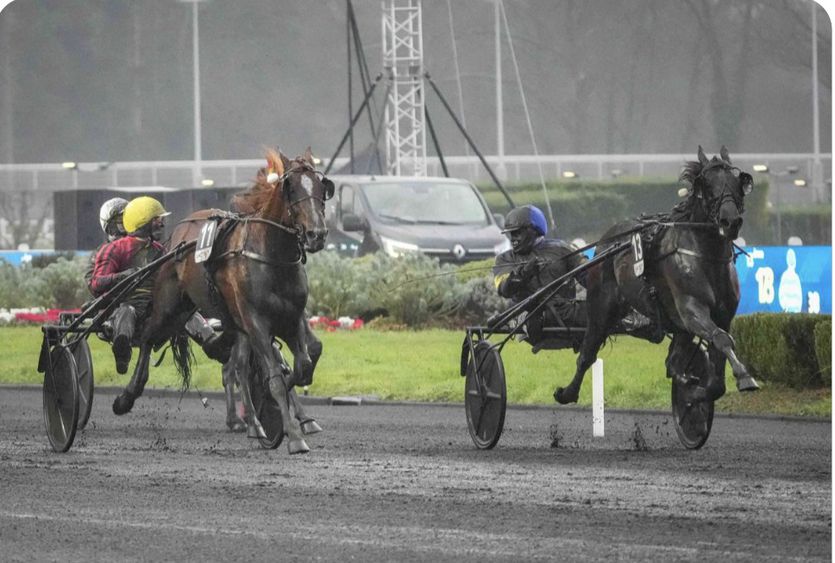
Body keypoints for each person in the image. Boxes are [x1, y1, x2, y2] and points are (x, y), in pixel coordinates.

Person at [493, 205, 588, 346]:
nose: (513, 239)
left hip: (564, 311)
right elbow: (504, 289)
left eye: (517, 233)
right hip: (527, 313)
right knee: (533, 318)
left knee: (598, 311)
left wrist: (593, 266)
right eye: (511, 234)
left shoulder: (563, 249)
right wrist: (522, 274)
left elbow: (588, 278)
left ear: (533, 231)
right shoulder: (504, 259)